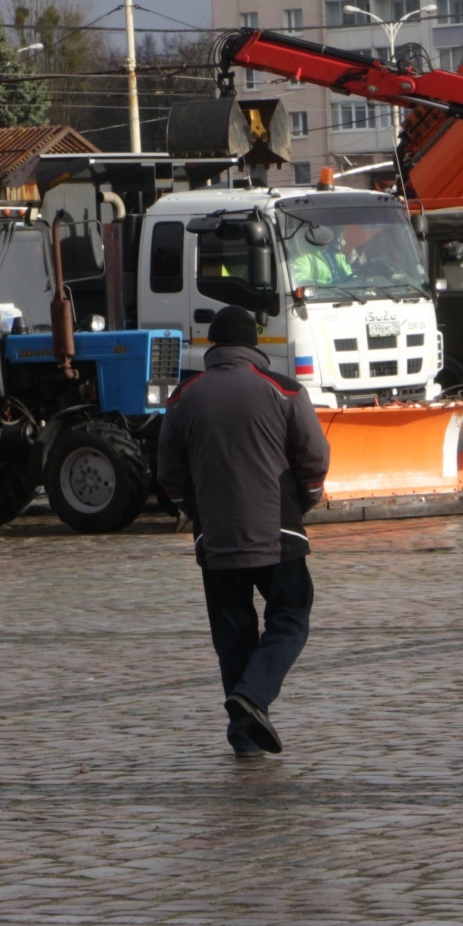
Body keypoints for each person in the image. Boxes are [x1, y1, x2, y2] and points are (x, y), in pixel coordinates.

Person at [157, 306, 330, 758]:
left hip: (215, 540)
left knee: (232, 635)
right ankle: (253, 697)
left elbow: (170, 476)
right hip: (280, 533)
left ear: (213, 346)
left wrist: (196, 513)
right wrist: (305, 501)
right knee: (290, 617)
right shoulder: (285, 390)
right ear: (254, 346)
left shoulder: (182, 398)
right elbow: (314, 460)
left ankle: (243, 737)